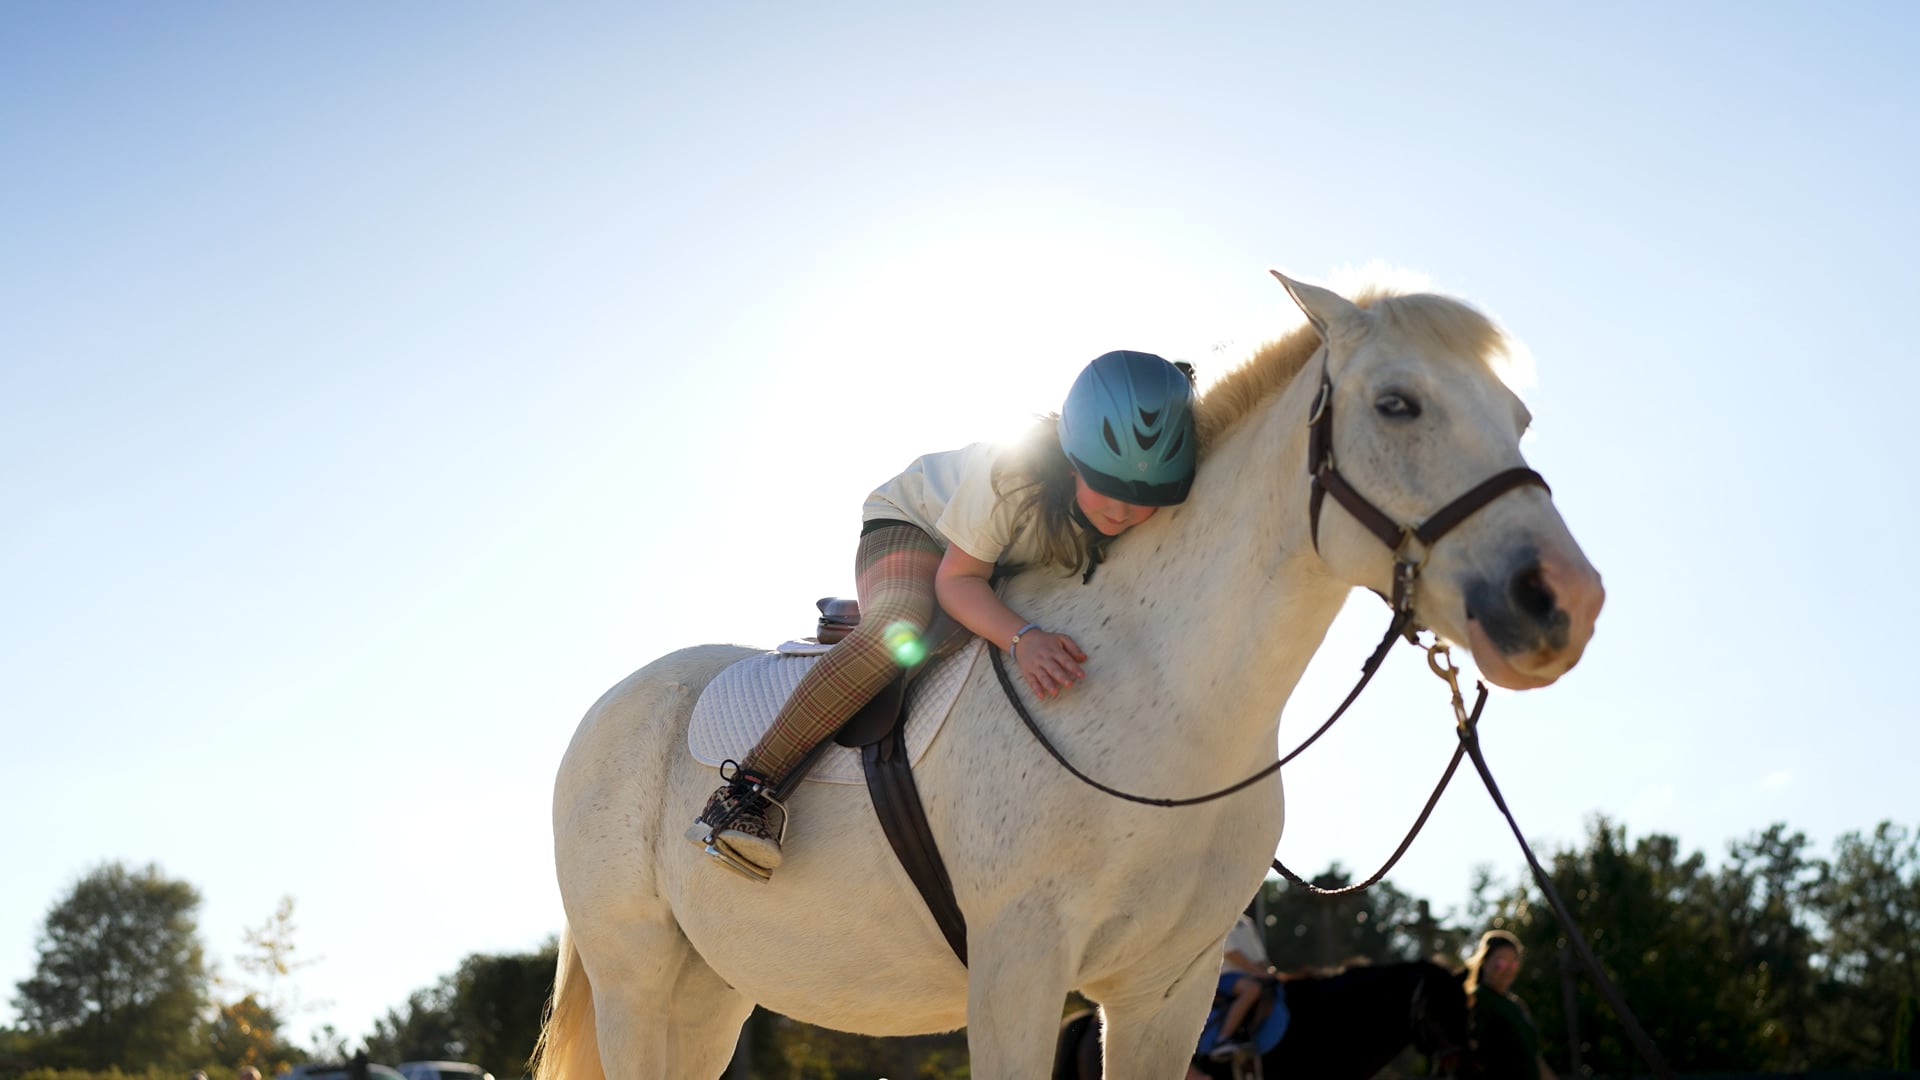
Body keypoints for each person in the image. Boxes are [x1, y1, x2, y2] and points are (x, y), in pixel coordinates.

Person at [688, 350, 1199, 878]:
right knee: (901, 627)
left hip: (994, 559)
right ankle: (745, 792)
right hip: (915, 527)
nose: (1121, 509)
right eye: (1105, 485)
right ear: (1072, 460)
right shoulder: (1012, 476)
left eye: (1145, 494)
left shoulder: (1123, 503)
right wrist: (1023, 638)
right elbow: (957, 582)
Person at [1465, 929, 1556, 1080]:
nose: (1507, 970)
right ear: (1484, 961)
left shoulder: (1516, 1004)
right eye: (1500, 963)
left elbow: (1533, 1058)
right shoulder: (1477, 999)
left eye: (1513, 964)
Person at [1210, 909, 1277, 1058]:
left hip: (1249, 975)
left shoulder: (1246, 921)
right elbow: (1230, 953)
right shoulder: (1220, 916)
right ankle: (1222, 1039)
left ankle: (1249, 1035)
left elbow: (1259, 957)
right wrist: (1259, 973)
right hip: (1223, 976)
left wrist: (1269, 972)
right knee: (1252, 989)